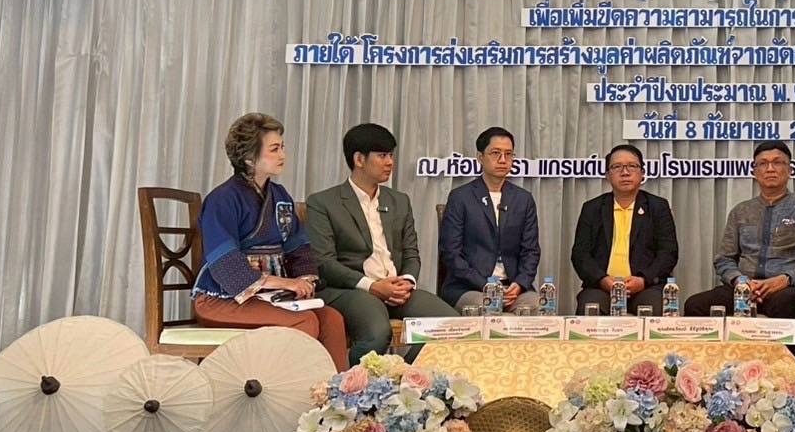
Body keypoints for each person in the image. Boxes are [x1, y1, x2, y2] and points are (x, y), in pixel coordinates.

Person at [192, 113, 348, 371]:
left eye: (282, 147)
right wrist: (285, 283)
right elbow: (225, 263)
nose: (283, 155)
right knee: (304, 322)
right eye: (275, 149)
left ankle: (335, 391)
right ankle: (293, 388)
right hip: (222, 299)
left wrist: (304, 281)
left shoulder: (280, 195)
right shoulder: (222, 199)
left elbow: (298, 246)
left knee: (331, 319)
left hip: (268, 296)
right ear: (248, 157)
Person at [306, 123, 459, 363]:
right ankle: (351, 382)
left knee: (454, 326)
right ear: (359, 159)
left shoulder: (399, 201)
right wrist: (372, 286)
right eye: (382, 156)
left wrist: (406, 281)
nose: (390, 162)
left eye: (391, 155)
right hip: (352, 289)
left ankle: (403, 377)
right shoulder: (323, 202)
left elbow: (411, 253)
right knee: (377, 334)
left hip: (398, 288)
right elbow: (324, 262)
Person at [685, 140, 795, 319]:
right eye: (763, 163)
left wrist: (785, 279)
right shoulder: (740, 211)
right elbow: (724, 259)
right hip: (743, 288)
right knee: (695, 305)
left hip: (786, 288)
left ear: (790, 170)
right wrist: (740, 281)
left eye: (777, 162)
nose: (770, 169)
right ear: (754, 172)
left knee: (787, 303)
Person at [438, 127, 541, 311]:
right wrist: (486, 285)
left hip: (512, 289)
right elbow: (451, 253)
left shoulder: (523, 200)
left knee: (538, 306)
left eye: (508, 154)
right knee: (487, 308)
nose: (503, 160)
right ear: (480, 157)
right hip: (470, 287)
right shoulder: (460, 198)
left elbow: (531, 251)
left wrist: (519, 284)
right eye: (495, 153)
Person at [570, 144, 680, 314]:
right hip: (602, 287)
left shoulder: (658, 207)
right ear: (607, 175)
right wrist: (602, 280)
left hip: (646, 286)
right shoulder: (592, 208)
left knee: (654, 308)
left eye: (632, 166)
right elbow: (580, 254)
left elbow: (668, 252)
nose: (625, 172)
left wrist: (643, 280)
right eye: (617, 167)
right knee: (590, 308)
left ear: (642, 173)